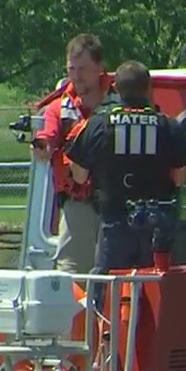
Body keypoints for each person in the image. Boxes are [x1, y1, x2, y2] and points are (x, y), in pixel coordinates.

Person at [63, 61, 186, 308]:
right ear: (148, 88)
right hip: (157, 224)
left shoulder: (99, 123)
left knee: (110, 285)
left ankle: (107, 339)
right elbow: (180, 178)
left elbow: (78, 175)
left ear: (116, 89)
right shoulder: (169, 126)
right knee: (155, 286)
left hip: (115, 219)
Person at [31, 33, 120, 274]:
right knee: (72, 275)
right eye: (72, 68)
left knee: (118, 276)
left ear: (100, 68)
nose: (76, 75)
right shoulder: (58, 109)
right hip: (77, 206)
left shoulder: (121, 103)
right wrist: (42, 147)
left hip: (118, 203)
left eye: (83, 68)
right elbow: (47, 138)